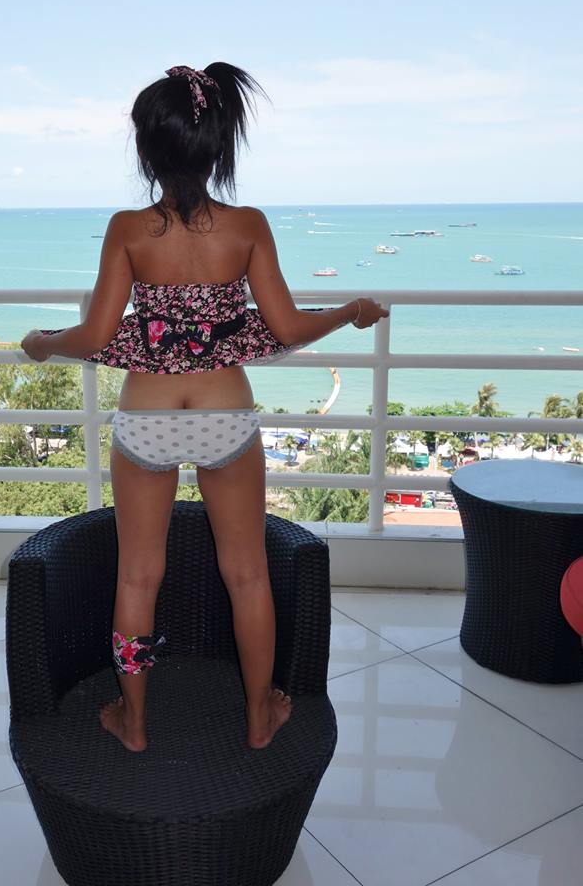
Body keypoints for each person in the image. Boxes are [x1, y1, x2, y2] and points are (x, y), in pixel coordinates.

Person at [21, 63, 388, 753]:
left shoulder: (127, 230)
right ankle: (260, 714)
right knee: (247, 574)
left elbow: (96, 337)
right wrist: (349, 311)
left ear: (147, 150)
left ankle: (133, 721)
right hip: (226, 416)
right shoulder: (247, 226)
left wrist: (43, 343)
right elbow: (286, 328)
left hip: (147, 419)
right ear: (219, 147)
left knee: (138, 576)